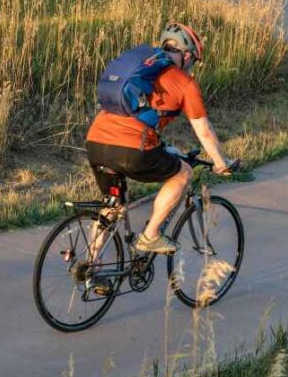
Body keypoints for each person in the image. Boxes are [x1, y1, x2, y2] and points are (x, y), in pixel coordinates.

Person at [85, 22, 233, 254]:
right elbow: (204, 130)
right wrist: (221, 162)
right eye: (192, 61)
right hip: (132, 148)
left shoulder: (141, 68)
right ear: (185, 55)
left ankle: (90, 267)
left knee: (111, 206)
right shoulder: (184, 83)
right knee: (183, 173)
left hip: (96, 141)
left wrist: (164, 148)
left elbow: (140, 116)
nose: (191, 67)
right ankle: (151, 236)